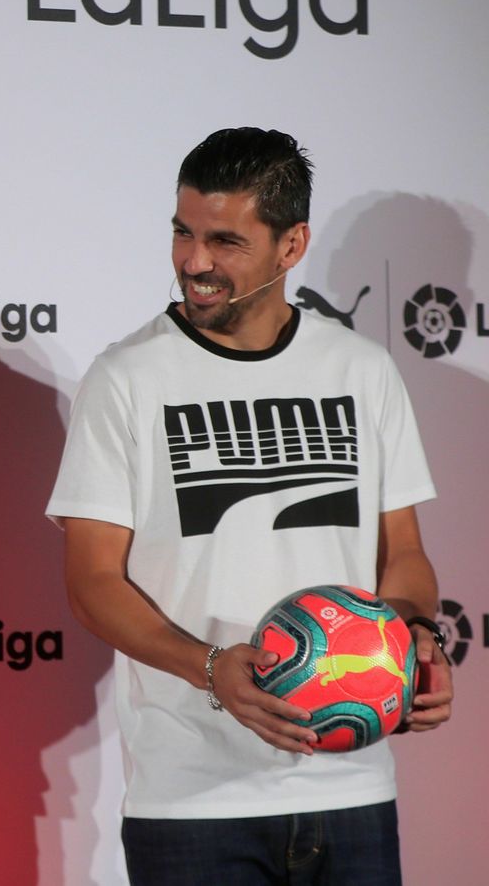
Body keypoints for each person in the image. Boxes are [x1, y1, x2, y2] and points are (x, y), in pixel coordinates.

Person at [47, 128, 454, 884]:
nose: (193, 262)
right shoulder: (127, 378)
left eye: (225, 241)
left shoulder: (360, 370)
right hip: (193, 802)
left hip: (353, 788)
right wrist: (208, 669)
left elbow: (403, 553)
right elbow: (92, 582)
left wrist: (419, 637)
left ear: (291, 243)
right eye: (183, 232)